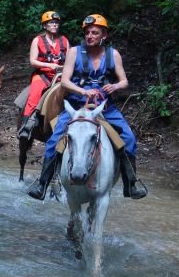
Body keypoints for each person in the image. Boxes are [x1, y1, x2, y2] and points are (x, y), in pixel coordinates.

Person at [27, 14, 147, 200]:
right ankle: (42, 183)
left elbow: (124, 81)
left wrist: (114, 86)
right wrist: (83, 92)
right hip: (76, 108)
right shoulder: (74, 52)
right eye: (87, 33)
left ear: (103, 35)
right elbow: (65, 82)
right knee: (54, 140)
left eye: (95, 33)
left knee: (129, 138)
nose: (90, 36)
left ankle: (130, 184)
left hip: (105, 108)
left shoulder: (113, 54)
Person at [17, 11, 68, 140]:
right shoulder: (37, 40)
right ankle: (27, 124)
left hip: (62, 75)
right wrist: (49, 66)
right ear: (45, 25)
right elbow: (33, 61)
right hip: (43, 75)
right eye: (51, 23)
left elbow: (71, 58)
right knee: (34, 93)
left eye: (56, 23)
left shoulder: (64, 40)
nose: (54, 25)